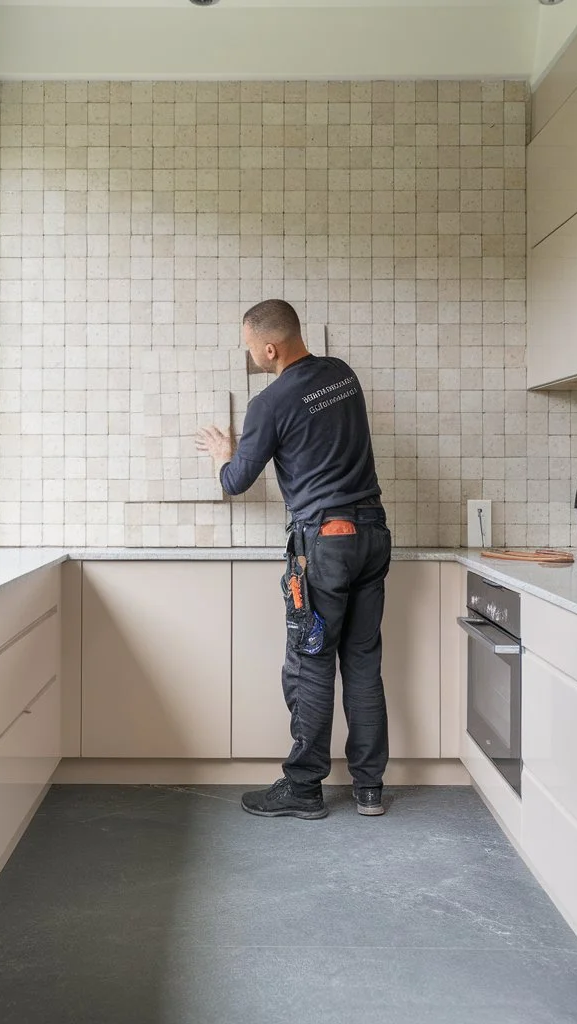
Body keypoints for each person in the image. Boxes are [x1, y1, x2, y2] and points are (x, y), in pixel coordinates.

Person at [196, 299, 391, 820]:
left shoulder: (270, 403)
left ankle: (304, 788)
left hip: (324, 547)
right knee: (363, 662)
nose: (250, 357)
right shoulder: (342, 376)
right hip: (372, 533)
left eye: (249, 349)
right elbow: (318, 438)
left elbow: (237, 482)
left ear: (269, 347)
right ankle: (369, 789)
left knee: (310, 664)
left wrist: (225, 455)